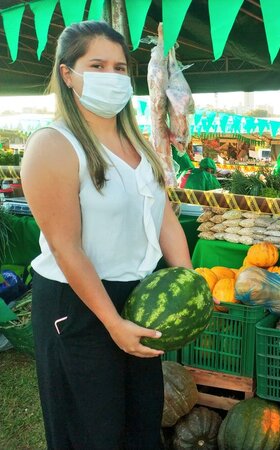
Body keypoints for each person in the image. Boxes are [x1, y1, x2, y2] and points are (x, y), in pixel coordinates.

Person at [20, 21, 193, 449]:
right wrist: (112, 323)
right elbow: (65, 246)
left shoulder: (138, 142)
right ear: (67, 73)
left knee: (140, 422)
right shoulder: (53, 145)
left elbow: (164, 216)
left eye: (119, 68)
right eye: (97, 65)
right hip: (77, 304)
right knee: (91, 430)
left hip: (137, 298)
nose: (112, 77)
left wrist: (189, 283)